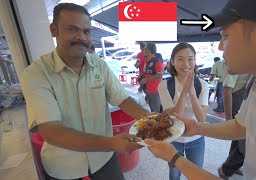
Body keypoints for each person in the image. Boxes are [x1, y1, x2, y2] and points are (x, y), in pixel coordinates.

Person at [145, 0, 256, 179]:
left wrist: (175, 158)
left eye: (225, 35)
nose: (220, 46)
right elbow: (241, 125)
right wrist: (197, 127)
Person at [21, 3, 150, 180]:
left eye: (87, 31)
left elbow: (122, 99)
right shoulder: (37, 73)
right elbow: (51, 131)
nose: (81, 37)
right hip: (63, 166)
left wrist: (150, 119)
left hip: (104, 158)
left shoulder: (99, 65)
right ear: (54, 29)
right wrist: (111, 143)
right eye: (72, 29)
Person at [158, 43, 209, 180]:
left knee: (196, 173)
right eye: (180, 59)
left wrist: (192, 93)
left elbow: (202, 118)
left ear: (195, 61)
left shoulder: (202, 85)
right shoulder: (165, 86)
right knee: (175, 173)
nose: (186, 63)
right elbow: (174, 118)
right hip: (174, 137)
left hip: (197, 137)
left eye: (190, 59)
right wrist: (184, 91)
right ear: (172, 62)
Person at [219, 72, 250, 179]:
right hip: (237, 102)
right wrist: (228, 120)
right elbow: (227, 91)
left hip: (245, 103)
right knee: (242, 141)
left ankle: (229, 167)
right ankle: (228, 168)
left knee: (238, 140)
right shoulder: (234, 66)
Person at [139, 42, 163, 112]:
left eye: (145, 49)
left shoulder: (157, 62)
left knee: (157, 110)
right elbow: (145, 75)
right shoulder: (147, 62)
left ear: (149, 50)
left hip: (155, 90)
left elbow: (160, 76)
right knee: (152, 109)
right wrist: (141, 86)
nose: (143, 51)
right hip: (148, 89)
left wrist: (147, 80)